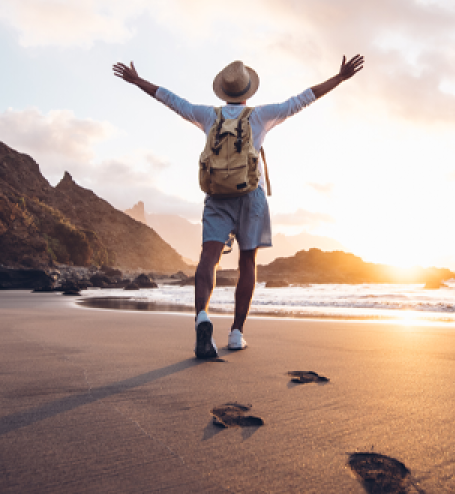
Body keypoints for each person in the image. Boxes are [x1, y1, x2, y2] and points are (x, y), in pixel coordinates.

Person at [112, 54, 365, 359]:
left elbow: (171, 100)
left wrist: (137, 80)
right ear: (247, 92)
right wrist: (338, 79)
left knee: (209, 258)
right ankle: (235, 334)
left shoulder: (207, 116)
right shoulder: (260, 116)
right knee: (247, 262)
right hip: (251, 196)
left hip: (217, 196)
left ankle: (202, 317)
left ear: (223, 91)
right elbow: (302, 99)